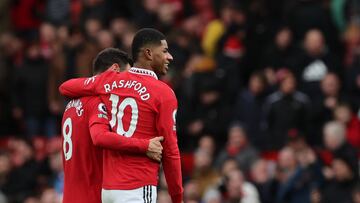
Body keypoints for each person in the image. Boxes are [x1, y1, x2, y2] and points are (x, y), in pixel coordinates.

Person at [59, 28, 183, 203]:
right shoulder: (162, 93)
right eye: (164, 51)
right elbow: (171, 151)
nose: (169, 56)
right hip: (131, 186)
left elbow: (65, 87)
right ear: (148, 53)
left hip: (102, 190)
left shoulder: (102, 88)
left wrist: (103, 80)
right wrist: (145, 145)